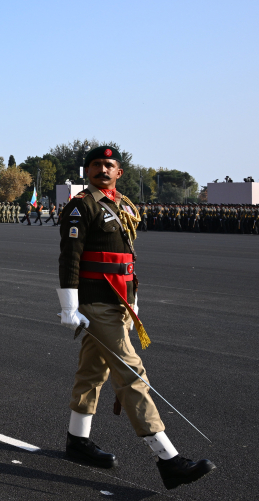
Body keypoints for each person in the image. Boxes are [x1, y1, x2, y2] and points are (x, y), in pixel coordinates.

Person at [56, 146, 215, 490]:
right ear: (87, 171)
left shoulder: (123, 205)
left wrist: (134, 303)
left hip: (120, 304)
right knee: (131, 374)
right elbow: (70, 258)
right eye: (96, 164)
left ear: (119, 172)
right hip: (96, 304)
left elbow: (127, 260)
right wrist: (69, 307)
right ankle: (168, 459)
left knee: (91, 372)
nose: (102, 169)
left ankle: (77, 440)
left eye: (109, 165)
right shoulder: (81, 206)